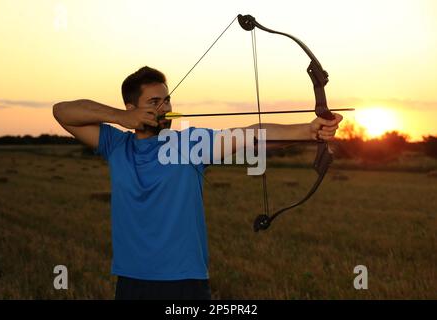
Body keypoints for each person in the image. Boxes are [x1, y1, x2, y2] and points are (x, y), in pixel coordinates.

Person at [53, 66, 342, 300]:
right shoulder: (115, 144)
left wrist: (307, 130)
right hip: (131, 280)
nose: (164, 107)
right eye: (154, 102)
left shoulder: (190, 144)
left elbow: (250, 135)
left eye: (167, 100)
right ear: (132, 107)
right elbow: (62, 112)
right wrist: (121, 118)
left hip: (183, 282)